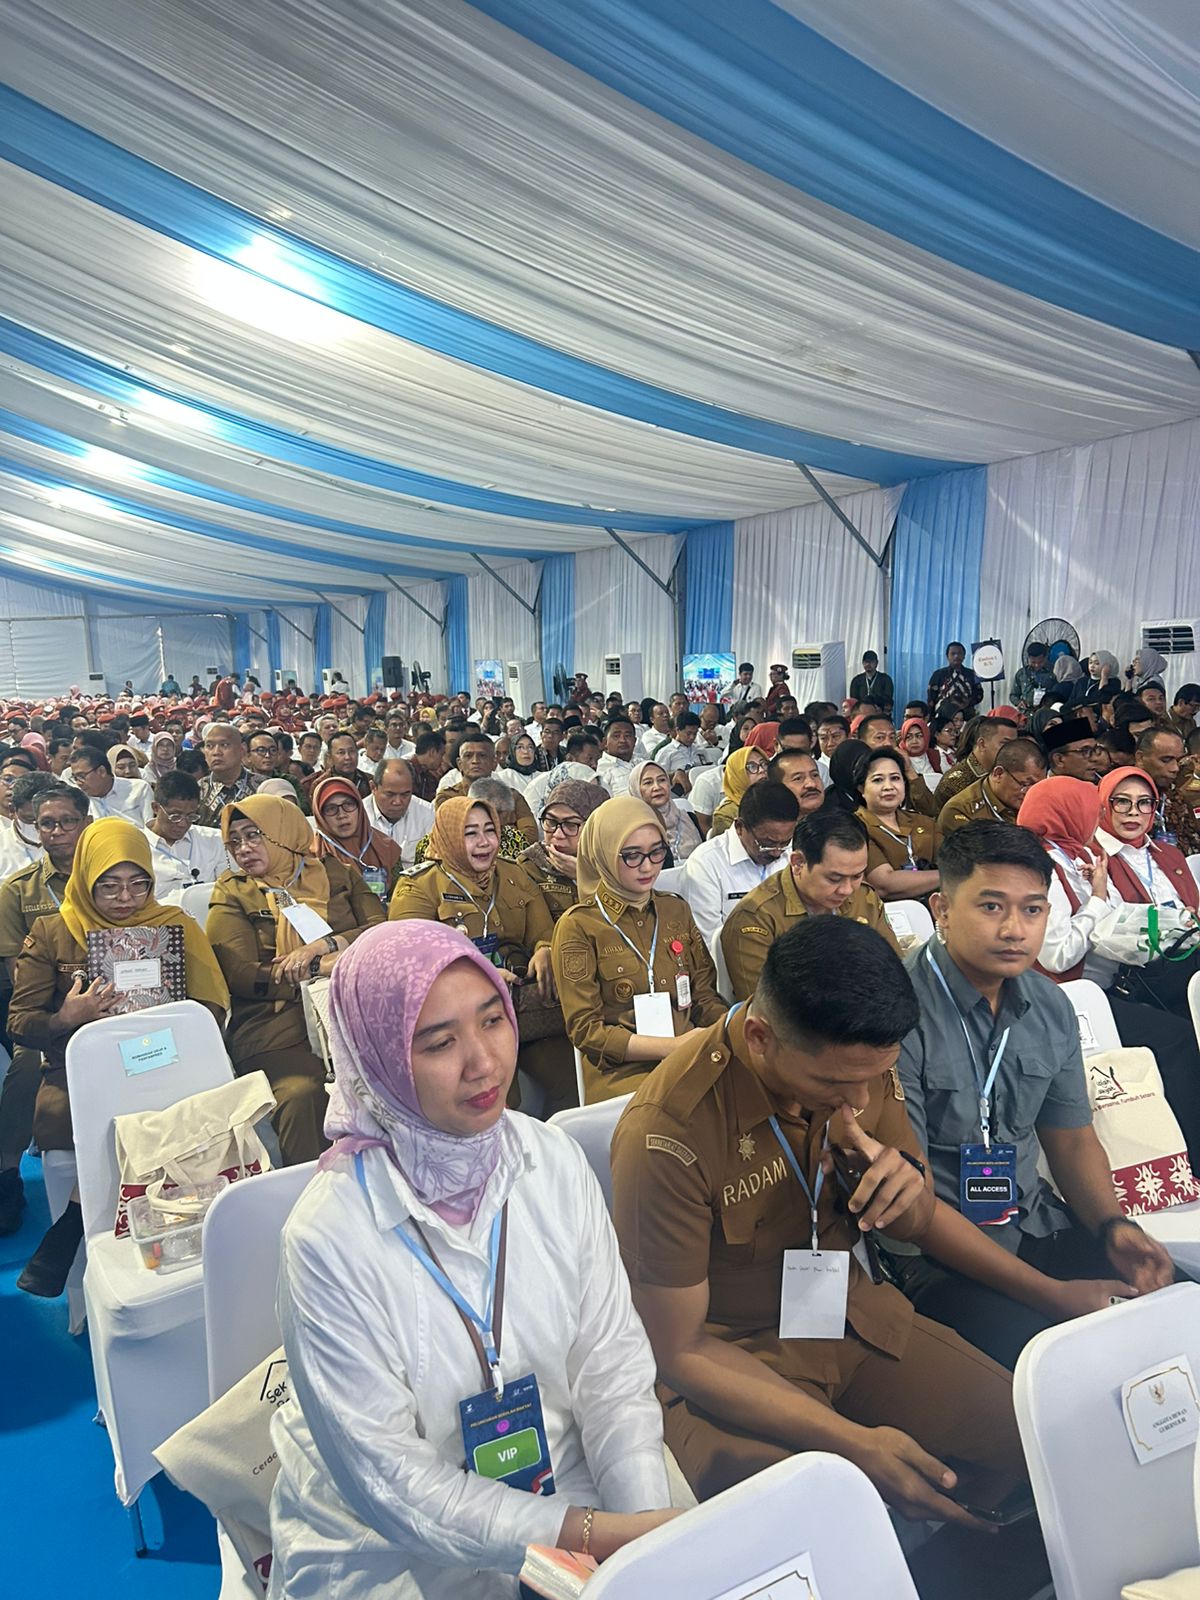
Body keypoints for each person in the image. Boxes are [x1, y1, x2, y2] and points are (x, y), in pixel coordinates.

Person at [610, 917, 1053, 1597]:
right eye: (835, 1085)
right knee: (810, 1534)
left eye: (875, 1078)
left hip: (848, 1319)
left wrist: (902, 1185)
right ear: (761, 1037)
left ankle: (938, 1572)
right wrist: (853, 1443)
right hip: (733, 1362)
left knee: (1039, 1441)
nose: (860, 1101)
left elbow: (917, 1217)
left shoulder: (858, 1059)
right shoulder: (668, 1133)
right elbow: (681, 1351)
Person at [266, 921, 679, 1598]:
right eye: (440, 1043)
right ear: (379, 1059)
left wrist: (641, 1533)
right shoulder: (327, 1238)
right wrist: (592, 1537)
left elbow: (610, 1363)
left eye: (493, 1020)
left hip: (563, 1478)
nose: (483, 1062)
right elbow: (392, 1484)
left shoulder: (549, 1159)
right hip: (392, 1544)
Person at [889, 822, 1175, 1371]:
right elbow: (913, 1203)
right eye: (991, 907)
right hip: (935, 1253)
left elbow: (1072, 1142)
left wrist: (1112, 1226)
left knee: (1174, 1310)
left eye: (1033, 909)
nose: (1014, 930)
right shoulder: (896, 1015)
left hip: (1032, 1221)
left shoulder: (1048, 1006)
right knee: (1062, 1367)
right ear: (942, 909)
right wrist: (1051, 1295)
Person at [11, 818, 229, 1295]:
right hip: (81, 1073)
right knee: (136, 1115)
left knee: (161, 1101)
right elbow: (19, 1023)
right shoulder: (55, 931)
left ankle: (70, 1229)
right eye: (108, 886)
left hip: (165, 1060)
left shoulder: (174, 926)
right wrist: (66, 1017)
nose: (125, 898)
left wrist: (169, 1015)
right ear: (85, 877)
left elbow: (212, 1007)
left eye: (138, 884)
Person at [1017, 776, 1200, 1157]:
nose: (1095, 818)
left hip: (1115, 982)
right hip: (1070, 998)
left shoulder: (1077, 856)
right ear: (1068, 813)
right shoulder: (1039, 868)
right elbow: (1058, 956)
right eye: (1092, 809)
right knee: (1177, 1039)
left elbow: (1118, 919)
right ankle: (1190, 1157)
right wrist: (1097, 898)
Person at [208, 794, 384, 1164]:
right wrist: (320, 967)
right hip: (275, 1022)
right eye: (234, 841)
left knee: (395, 1066)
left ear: (283, 833)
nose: (243, 849)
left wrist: (326, 945)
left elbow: (379, 928)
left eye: (254, 835)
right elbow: (240, 974)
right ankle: (312, 1189)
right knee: (303, 1093)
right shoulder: (234, 891)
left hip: (350, 1007)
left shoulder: (336, 873)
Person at [389, 798, 573, 1115]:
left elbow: (544, 932)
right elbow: (409, 965)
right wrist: (479, 978)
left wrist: (545, 949)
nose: (485, 842)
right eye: (470, 833)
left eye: (490, 830)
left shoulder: (513, 874)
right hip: (461, 1024)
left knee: (570, 1080)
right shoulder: (418, 888)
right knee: (496, 1096)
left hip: (527, 1014)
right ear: (449, 837)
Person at [550, 796, 725, 1104]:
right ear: (604, 853)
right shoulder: (579, 926)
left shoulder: (675, 910)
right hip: (622, 1072)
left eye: (657, 852)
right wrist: (672, 1047)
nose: (647, 866)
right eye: (632, 855)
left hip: (690, 1053)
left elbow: (704, 997)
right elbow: (586, 1031)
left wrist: (730, 1029)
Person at [0, 784, 90, 1235]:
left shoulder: (113, 878)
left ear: (86, 823)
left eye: (67, 821)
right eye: (46, 824)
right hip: (50, 1012)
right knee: (25, 1068)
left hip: (115, 1007)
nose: (56, 832)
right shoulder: (18, 891)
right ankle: (7, 1172)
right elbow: (19, 978)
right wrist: (64, 1014)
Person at [722, 809, 898, 1000]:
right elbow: (766, 1007)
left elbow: (895, 973)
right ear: (798, 863)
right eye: (834, 878)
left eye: (857, 876)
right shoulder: (756, 918)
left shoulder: (864, 898)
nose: (847, 890)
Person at [681, 781, 798, 946]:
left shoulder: (791, 854)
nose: (777, 852)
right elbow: (709, 941)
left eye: (785, 842)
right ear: (740, 827)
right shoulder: (706, 863)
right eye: (767, 844)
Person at [851, 748, 940, 902]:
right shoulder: (854, 827)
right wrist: (947, 876)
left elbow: (955, 862)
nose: (889, 786)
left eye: (895, 778)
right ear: (861, 789)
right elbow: (884, 884)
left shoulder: (924, 822)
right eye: (878, 780)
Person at [519, 780, 608, 922]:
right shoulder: (528, 867)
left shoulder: (615, 864)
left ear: (595, 828)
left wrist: (585, 877)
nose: (558, 834)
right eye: (551, 822)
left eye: (571, 825)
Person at [310, 774, 403, 903]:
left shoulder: (385, 847)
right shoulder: (311, 856)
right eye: (331, 809)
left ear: (360, 807)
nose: (341, 815)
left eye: (348, 804)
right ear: (320, 816)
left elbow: (401, 896)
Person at [937, 738, 1046, 837]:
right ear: (998, 774)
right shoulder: (960, 811)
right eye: (1025, 784)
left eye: (1037, 787)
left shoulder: (1037, 801)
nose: (1030, 793)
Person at [145, 770, 229, 898]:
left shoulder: (215, 840)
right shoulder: (137, 846)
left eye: (191, 816)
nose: (183, 824)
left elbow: (228, 890)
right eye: (175, 816)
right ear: (156, 808)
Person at [931, 717, 1019, 810]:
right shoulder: (955, 782)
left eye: (1015, 745)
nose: (1013, 751)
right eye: (1005, 744)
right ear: (982, 744)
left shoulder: (1010, 774)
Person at [629, 760, 701, 864]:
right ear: (636, 789)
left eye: (662, 780)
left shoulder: (689, 818)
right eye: (648, 783)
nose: (657, 787)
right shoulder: (632, 829)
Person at [366, 758, 435, 866]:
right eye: (390, 794)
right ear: (373, 788)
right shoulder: (358, 816)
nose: (397, 802)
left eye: (405, 794)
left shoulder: (427, 813)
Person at [69, 745, 155, 826]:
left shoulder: (139, 789)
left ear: (102, 771)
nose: (78, 782)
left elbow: (150, 827)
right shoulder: (77, 799)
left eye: (81, 776)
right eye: (75, 777)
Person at [197, 722, 262, 824]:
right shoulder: (196, 790)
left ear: (242, 749)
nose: (216, 752)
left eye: (224, 745)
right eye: (209, 746)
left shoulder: (262, 787)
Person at [708, 746, 770, 838]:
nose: (761, 770)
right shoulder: (726, 814)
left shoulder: (778, 797)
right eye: (751, 767)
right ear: (737, 775)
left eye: (764, 764)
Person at [1041, 717, 1104, 784]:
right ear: (1059, 760)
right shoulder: (1045, 790)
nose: (1095, 758)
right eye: (1085, 751)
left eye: (1095, 749)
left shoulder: (1103, 784)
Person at [655, 712, 705, 795]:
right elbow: (657, 777)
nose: (692, 737)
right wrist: (675, 774)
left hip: (700, 791)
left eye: (695, 734)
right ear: (678, 730)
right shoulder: (666, 752)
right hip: (677, 795)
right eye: (688, 733)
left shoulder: (700, 750)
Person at [927, 642, 983, 713]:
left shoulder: (972, 674)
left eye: (959, 653)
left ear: (964, 656)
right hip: (942, 714)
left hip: (967, 713)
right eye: (953, 654)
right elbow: (931, 697)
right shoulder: (938, 674)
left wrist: (968, 702)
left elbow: (979, 695)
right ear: (947, 656)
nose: (956, 656)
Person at [766, 750, 824, 818]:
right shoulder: (768, 823)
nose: (811, 784)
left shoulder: (834, 818)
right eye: (798, 778)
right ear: (778, 789)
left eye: (815, 775)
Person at [1011, 643, 1056, 716]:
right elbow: (1013, 695)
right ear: (1028, 658)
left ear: (1045, 657)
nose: (1037, 665)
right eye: (1033, 662)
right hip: (1026, 714)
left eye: (1040, 662)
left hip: (1046, 714)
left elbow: (1058, 695)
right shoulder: (1021, 674)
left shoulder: (1053, 672)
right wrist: (1018, 702)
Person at [848, 651, 894, 718]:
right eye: (865, 662)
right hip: (862, 714)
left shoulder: (885, 679)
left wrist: (876, 702)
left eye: (871, 662)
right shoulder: (856, 680)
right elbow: (854, 700)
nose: (868, 664)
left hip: (880, 714)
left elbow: (888, 699)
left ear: (876, 663)